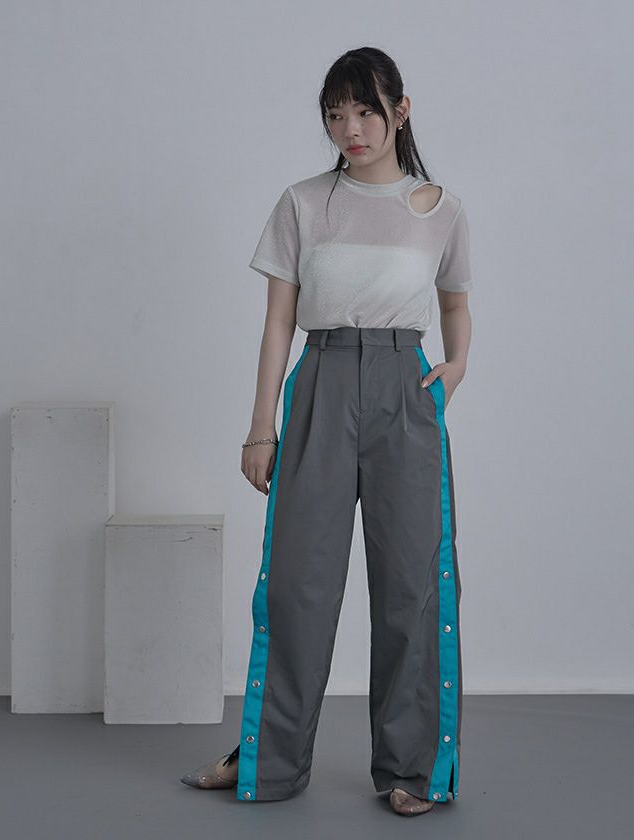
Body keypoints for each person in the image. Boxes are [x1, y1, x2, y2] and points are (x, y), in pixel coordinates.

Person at [180, 45, 472, 818]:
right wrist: (260, 427)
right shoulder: (303, 203)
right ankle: (267, 760)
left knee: (412, 585)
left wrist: (457, 365)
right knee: (297, 583)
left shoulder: (441, 209)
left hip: (407, 390)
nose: (351, 128)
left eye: (365, 111)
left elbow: (454, 302)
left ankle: (414, 768)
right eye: (336, 114)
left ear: (400, 110)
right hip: (322, 379)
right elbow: (278, 321)